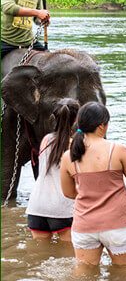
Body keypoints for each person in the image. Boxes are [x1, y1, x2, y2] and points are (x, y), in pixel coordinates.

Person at [60, 102, 126, 272]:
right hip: (117, 227)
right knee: (124, 274)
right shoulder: (118, 150)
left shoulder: (68, 156)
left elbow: (69, 193)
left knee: (85, 274)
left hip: (84, 226)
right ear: (102, 126)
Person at [25, 98, 79, 243]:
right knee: (68, 255)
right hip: (62, 209)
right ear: (76, 120)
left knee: (39, 254)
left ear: (53, 118)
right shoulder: (74, 146)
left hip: (37, 206)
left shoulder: (46, 140)